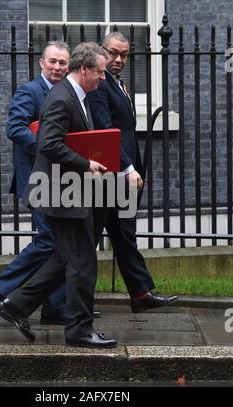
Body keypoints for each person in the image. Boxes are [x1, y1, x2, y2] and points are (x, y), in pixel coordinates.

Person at [0, 42, 117, 348]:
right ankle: (79, 330)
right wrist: (85, 163)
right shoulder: (62, 98)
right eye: (100, 72)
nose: (103, 78)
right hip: (62, 193)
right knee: (82, 261)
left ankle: (16, 304)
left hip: (66, 191)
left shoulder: (77, 96)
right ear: (86, 69)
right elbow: (48, 144)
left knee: (64, 257)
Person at [88, 32, 178, 312]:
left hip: (124, 174)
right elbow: (106, 131)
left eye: (124, 54)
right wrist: (127, 167)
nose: (118, 59)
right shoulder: (100, 85)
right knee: (87, 238)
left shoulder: (118, 83)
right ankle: (60, 300)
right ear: (102, 51)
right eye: (113, 53)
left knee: (124, 234)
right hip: (110, 174)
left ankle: (140, 295)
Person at [0, 42, 72, 325]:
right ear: (41, 63)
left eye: (62, 63)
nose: (57, 67)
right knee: (49, 239)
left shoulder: (66, 92)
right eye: (53, 62)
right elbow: (16, 128)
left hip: (61, 180)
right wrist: (48, 148)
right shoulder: (30, 91)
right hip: (36, 177)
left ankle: (55, 307)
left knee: (61, 241)